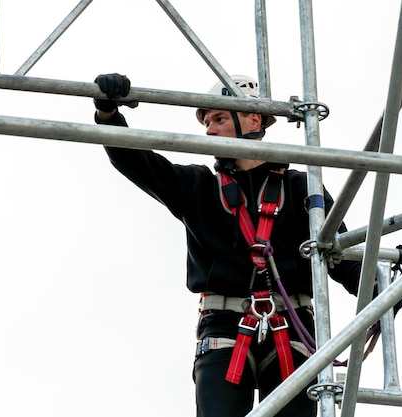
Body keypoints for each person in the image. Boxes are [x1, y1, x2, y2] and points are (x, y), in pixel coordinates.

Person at [92, 73, 363, 417]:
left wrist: (376, 289)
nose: (208, 130)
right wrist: (108, 114)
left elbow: (337, 255)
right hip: (223, 327)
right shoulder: (199, 187)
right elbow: (137, 161)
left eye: (219, 118)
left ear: (253, 119)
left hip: (292, 327)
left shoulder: (301, 188)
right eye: (207, 121)